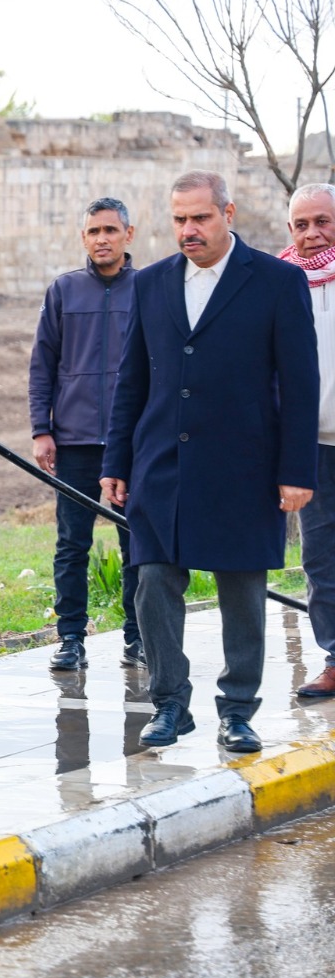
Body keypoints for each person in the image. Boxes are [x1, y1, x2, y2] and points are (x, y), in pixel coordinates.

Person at [100, 170, 318, 752]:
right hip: (161, 462)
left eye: (200, 217)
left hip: (245, 464)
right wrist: (114, 461)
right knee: (151, 582)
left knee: (241, 590)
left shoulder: (277, 281)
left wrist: (297, 470)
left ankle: (238, 709)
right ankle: (170, 703)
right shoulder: (150, 283)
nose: (188, 230)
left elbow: (301, 382)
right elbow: (132, 381)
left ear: (229, 213)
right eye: (179, 219)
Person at [29, 198, 144, 671]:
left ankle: (138, 637)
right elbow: (43, 364)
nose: (102, 239)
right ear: (83, 238)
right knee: (71, 543)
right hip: (74, 441)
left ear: (128, 235)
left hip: (133, 442)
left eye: (111, 230)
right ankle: (71, 639)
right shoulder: (64, 291)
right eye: (94, 231)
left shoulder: (150, 288)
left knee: (136, 544)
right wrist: (42, 429)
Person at [281, 184, 335, 698]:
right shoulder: (280, 282)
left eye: (323, 221)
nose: (312, 234)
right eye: (301, 224)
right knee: (319, 558)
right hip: (309, 444)